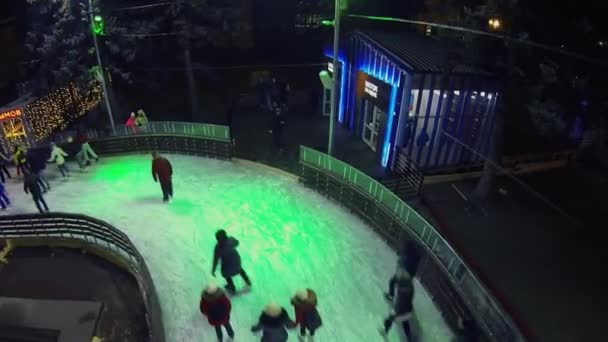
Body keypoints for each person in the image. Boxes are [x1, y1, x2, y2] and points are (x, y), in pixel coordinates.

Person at [211, 229, 251, 294]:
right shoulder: (231, 240)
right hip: (236, 261)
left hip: (227, 266)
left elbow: (215, 260)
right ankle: (247, 280)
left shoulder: (218, 247)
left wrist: (213, 270)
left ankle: (231, 286)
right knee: (240, 269)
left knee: (226, 274)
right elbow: (237, 242)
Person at [379, 269, 414, 339]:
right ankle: (409, 337)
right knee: (405, 322)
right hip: (407, 310)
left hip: (402, 310)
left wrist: (392, 316)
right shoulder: (409, 288)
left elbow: (399, 307)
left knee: (388, 320)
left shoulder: (402, 293)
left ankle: (385, 331)